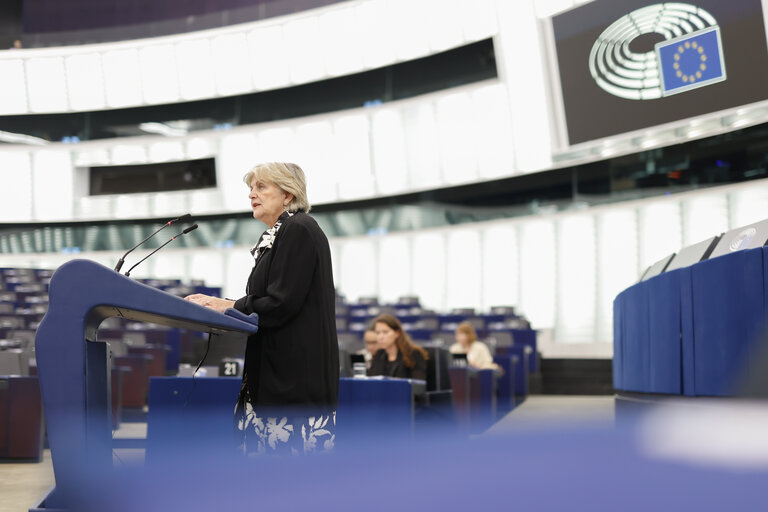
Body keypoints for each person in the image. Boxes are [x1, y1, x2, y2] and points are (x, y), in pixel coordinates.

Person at [185, 162, 339, 455]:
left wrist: (229, 305)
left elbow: (282, 302)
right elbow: (267, 298)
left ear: (288, 195)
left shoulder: (299, 229)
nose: (252, 194)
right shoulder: (279, 233)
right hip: (271, 367)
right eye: (251, 188)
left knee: (288, 479)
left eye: (261, 187)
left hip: (293, 378)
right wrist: (225, 307)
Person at [367, 314, 428, 380]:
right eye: (378, 333)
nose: (381, 337)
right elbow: (371, 380)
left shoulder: (413, 354)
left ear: (397, 333)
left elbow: (418, 385)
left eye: (385, 332)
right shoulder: (379, 354)